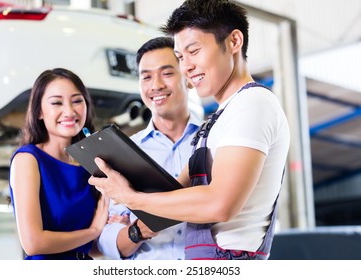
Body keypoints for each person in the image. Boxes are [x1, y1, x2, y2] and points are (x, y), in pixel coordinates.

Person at [90, 0, 290, 260]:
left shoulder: (252, 104)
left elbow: (220, 204)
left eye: (194, 51)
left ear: (234, 42)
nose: (187, 67)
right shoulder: (218, 118)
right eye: (181, 57)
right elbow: (175, 194)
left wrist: (132, 198)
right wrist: (128, 211)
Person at [98, 36, 202, 260]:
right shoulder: (125, 151)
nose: (156, 85)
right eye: (146, 77)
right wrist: (138, 230)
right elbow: (108, 241)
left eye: (167, 73)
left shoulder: (213, 141)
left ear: (189, 78)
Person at [9, 68, 109, 260]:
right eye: (56, 102)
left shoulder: (91, 164)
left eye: (77, 101)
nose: (69, 111)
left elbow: (91, 249)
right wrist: (94, 230)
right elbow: (33, 243)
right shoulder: (28, 159)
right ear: (39, 112)